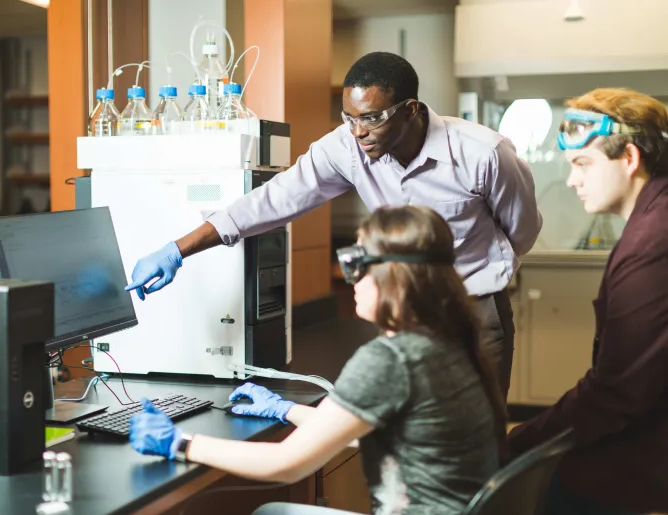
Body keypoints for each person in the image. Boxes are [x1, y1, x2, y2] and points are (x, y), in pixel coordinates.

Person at [124, 52, 542, 399]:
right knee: (408, 434)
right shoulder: (346, 146)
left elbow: (521, 230)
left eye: (373, 118)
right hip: (402, 311)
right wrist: (177, 249)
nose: (359, 132)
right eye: (350, 117)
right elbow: (274, 199)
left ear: (411, 110)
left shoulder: (483, 152)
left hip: (472, 308)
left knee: (479, 435)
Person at [129, 205, 507, 515]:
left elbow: (286, 464)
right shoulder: (454, 341)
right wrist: (284, 409)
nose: (350, 277)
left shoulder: (391, 360)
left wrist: (180, 443)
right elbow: (364, 430)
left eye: (356, 262)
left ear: (394, 275)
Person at [506, 88, 668, 515]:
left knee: (518, 504)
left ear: (630, 157)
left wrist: (522, 440)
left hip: (652, 437)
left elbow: (615, 393)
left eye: (583, 164)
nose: (572, 179)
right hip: (647, 419)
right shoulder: (651, 220)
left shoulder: (653, 242)